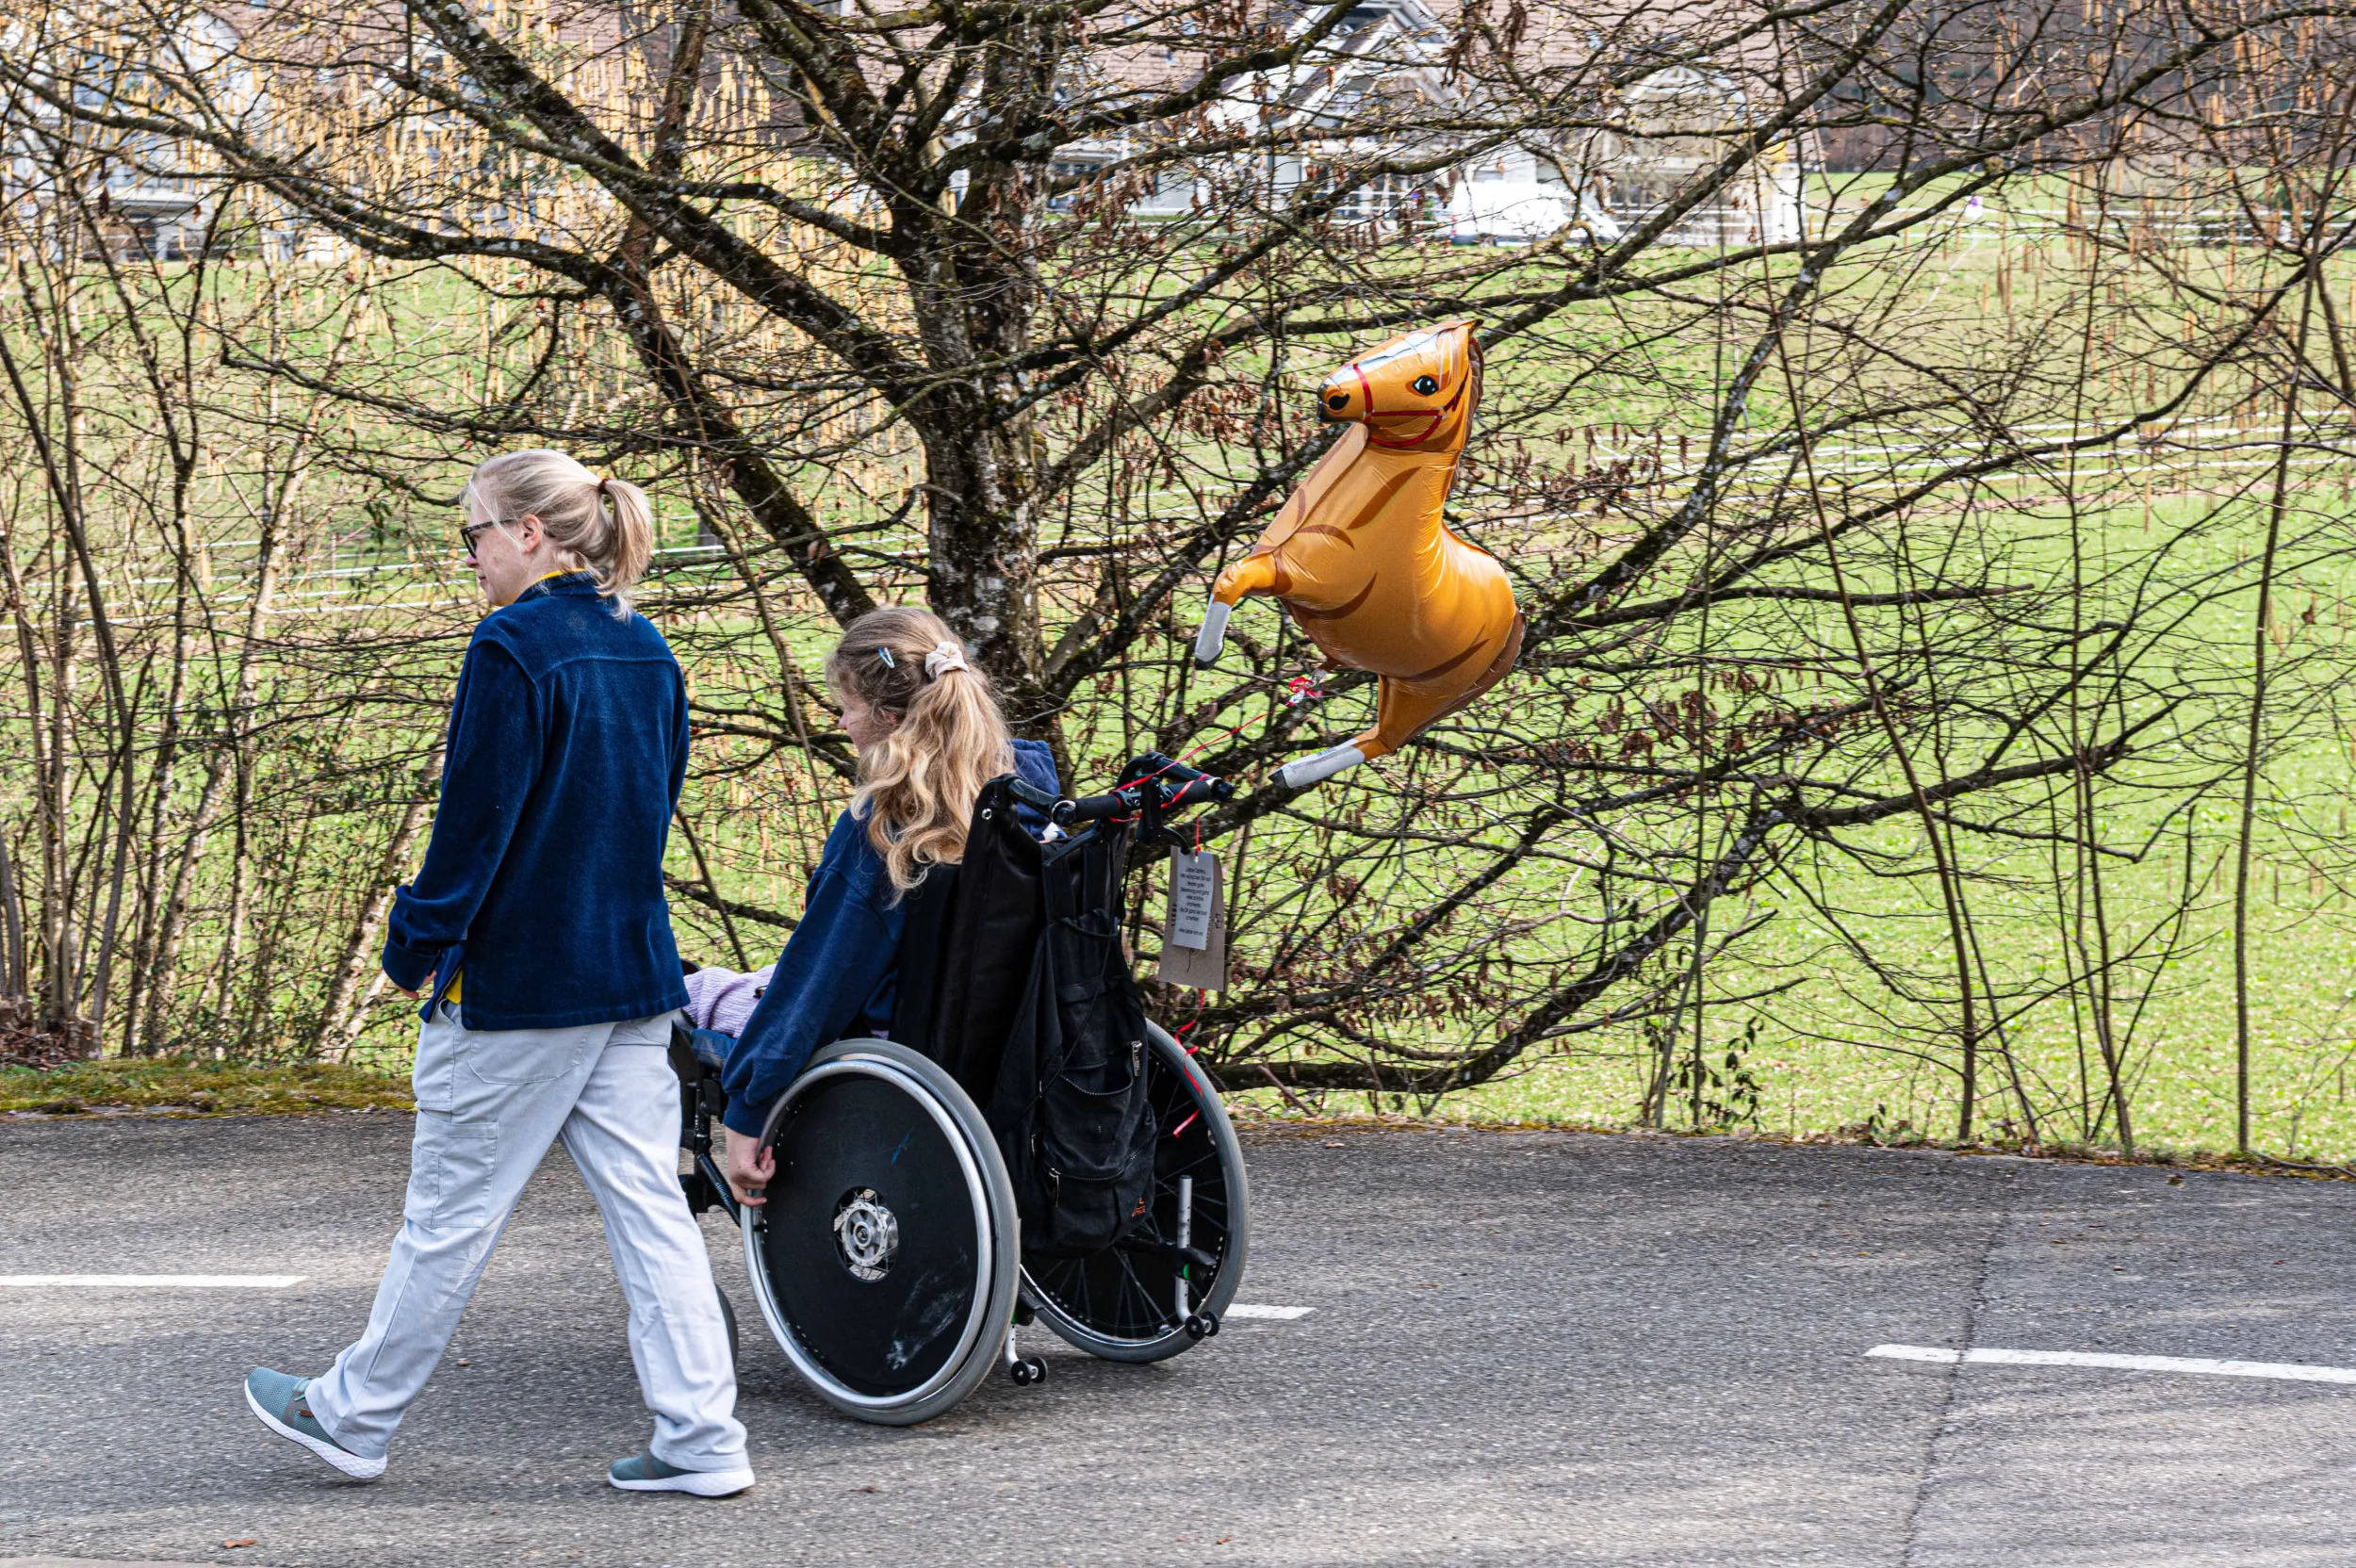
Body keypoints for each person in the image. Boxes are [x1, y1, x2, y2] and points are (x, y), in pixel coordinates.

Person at [242, 449, 752, 1497]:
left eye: (473, 530)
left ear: (529, 531)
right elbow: (645, 815)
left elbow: (473, 827)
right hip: (633, 976)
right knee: (650, 1211)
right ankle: (703, 1438)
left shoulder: (511, 645)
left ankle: (352, 1413)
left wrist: (412, 945)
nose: (467, 553)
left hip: (522, 986)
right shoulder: (646, 647)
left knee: (450, 1216)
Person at [719, 605, 1058, 1206]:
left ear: (890, 718)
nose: (844, 723)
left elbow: (817, 983)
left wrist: (748, 1112)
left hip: (893, 1044)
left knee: (698, 1001)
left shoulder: (883, 832)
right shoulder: (1032, 801)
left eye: (847, 706)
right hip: (1019, 1038)